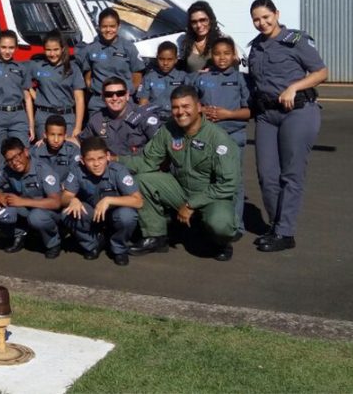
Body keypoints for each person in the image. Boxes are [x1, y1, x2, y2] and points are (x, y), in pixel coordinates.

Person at [246, 0, 327, 253]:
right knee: (267, 174)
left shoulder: (295, 40)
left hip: (297, 112)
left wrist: (294, 87)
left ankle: (285, 232)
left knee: (291, 174)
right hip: (267, 115)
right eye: (257, 19)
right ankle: (276, 225)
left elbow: (321, 72)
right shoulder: (255, 47)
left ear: (277, 14)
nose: (262, 23)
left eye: (266, 17)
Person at [124, 85, 239, 262]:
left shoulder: (218, 138)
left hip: (211, 196)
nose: (180, 112)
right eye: (175, 107)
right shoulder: (169, 129)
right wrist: (115, 160)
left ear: (199, 107)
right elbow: (148, 162)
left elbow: (228, 184)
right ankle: (156, 236)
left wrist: (191, 205)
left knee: (220, 223)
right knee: (141, 180)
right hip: (181, 189)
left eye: (186, 106)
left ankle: (220, 242)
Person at [190, 36, 251, 235]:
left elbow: (249, 111)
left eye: (226, 53)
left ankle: (236, 224)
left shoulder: (241, 79)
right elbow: (190, 102)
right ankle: (209, 223)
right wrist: (201, 110)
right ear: (211, 55)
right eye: (217, 54)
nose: (222, 58)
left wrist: (228, 114)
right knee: (207, 179)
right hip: (207, 138)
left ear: (234, 55)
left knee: (233, 181)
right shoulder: (202, 77)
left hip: (233, 137)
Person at [60, 137, 142, 266]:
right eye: (90, 160)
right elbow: (65, 197)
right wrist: (73, 200)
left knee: (127, 216)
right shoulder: (77, 171)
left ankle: (119, 248)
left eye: (100, 158)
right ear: (82, 160)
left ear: (108, 156)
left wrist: (108, 200)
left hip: (115, 213)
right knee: (67, 213)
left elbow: (138, 201)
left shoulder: (118, 171)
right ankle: (93, 243)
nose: (96, 164)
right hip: (92, 213)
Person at [0, 137, 63, 258]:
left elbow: (56, 202)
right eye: (9, 160)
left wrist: (22, 201)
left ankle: (53, 242)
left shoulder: (43, 170)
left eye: (17, 156)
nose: (14, 162)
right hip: (23, 208)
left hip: (45, 211)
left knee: (36, 217)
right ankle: (19, 234)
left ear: (26, 152)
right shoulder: (8, 170)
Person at [79, 8, 144, 116]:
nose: (108, 30)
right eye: (104, 26)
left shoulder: (128, 47)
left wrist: (125, 94)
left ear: (118, 26)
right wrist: (95, 90)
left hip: (123, 102)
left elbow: (137, 74)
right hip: (99, 103)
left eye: (112, 26)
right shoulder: (91, 49)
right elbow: (88, 75)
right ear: (99, 27)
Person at [81, 76, 160, 160]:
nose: (115, 98)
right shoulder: (96, 119)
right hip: (109, 166)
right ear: (103, 97)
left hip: (140, 165)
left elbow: (160, 147)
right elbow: (82, 142)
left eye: (120, 93)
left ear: (127, 95)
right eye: (109, 95)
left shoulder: (144, 116)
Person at [29, 30, 85, 139]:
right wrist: (36, 97)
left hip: (66, 118)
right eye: (48, 50)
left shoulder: (73, 68)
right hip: (44, 118)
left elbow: (79, 99)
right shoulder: (37, 66)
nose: (52, 54)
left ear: (62, 49)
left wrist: (78, 127)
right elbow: (19, 75)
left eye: (56, 49)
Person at [136, 41, 188, 119]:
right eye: (161, 59)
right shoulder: (149, 77)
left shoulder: (183, 77)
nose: (165, 63)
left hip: (176, 118)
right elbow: (143, 104)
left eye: (169, 59)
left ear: (176, 59)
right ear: (157, 58)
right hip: (153, 118)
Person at [30, 115, 82, 186]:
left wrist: (67, 186)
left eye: (60, 135)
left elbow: (76, 175)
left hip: (66, 189)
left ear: (65, 136)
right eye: (52, 135)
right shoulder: (35, 152)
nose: (56, 140)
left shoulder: (73, 151)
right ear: (45, 135)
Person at [177, 1, 224, 73]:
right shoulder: (185, 42)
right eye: (194, 22)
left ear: (210, 20)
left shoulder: (222, 40)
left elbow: (233, 67)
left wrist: (214, 70)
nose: (198, 25)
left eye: (203, 20)